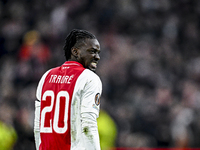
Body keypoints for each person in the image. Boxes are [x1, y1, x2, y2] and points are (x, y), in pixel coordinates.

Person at [34, 29, 102, 150]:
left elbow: (38, 126)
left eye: (98, 52)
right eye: (92, 51)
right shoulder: (89, 79)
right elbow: (88, 125)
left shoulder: (47, 76)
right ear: (75, 51)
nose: (97, 57)